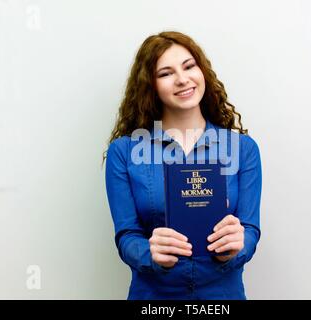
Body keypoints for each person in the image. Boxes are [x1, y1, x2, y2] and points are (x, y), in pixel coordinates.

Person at [103, 31, 262, 300]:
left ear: (202, 71)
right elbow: (126, 234)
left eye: (189, 66)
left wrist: (239, 245)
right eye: (166, 73)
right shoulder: (125, 152)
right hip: (153, 297)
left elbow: (250, 228)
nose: (182, 79)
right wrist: (149, 253)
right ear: (150, 85)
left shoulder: (243, 149)